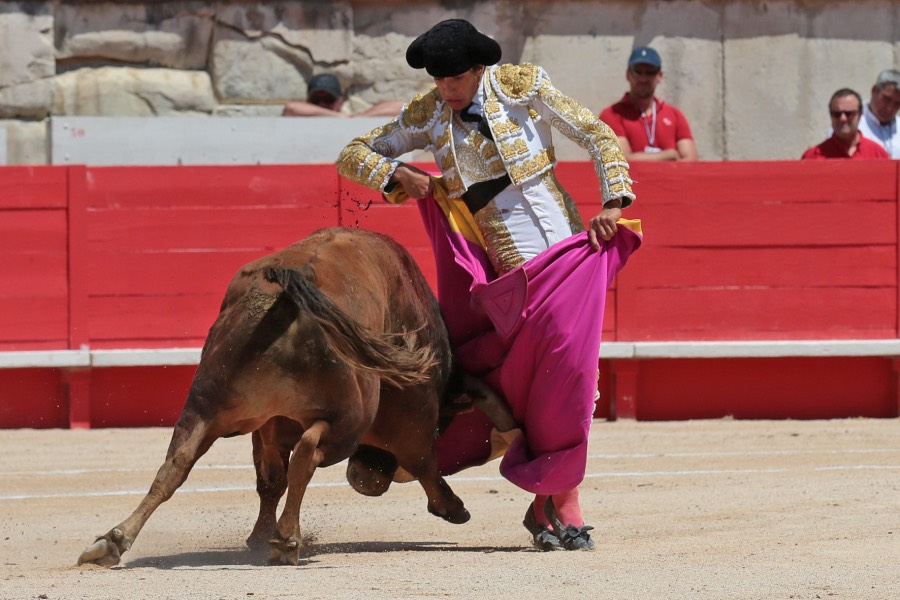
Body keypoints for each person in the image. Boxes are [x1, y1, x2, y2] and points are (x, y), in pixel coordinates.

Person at [336, 19, 642, 551]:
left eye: (456, 79)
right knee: (543, 376)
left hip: (568, 248)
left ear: (480, 69)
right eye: (439, 81)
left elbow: (596, 133)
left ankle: (561, 502)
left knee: (571, 371)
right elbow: (353, 153)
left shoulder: (522, 86)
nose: (446, 90)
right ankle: (546, 498)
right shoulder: (428, 113)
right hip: (508, 270)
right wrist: (396, 175)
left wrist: (614, 201)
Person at [599, 46, 698, 161]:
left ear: (660, 76)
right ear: (628, 75)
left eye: (650, 72)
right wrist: (668, 155)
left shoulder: (675, 115)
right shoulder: (612, 115)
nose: (643, 79)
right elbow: (620, 160)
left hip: (669, 180)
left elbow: (691, 161)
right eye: (638, 72)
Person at [801, 88, 890, 159]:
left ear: (860, 114)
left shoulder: (877, 154)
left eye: (848, 114)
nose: (843, 118)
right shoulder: (813, 156)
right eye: (837, 114)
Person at [282, 73, 403, 117]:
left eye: (328, 99)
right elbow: (290, 108)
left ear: (340, 101)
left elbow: (400, 107)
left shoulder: (349, 116)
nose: (322, 104)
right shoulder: (301, 117)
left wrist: (361, 117)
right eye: (316, 100)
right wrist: (335, 116)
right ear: (308, 101)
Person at [858, 69, 900, 158]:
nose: (890, 108)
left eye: (897, 103)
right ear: (874, 90)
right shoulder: (851, 125)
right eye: (886, 99)